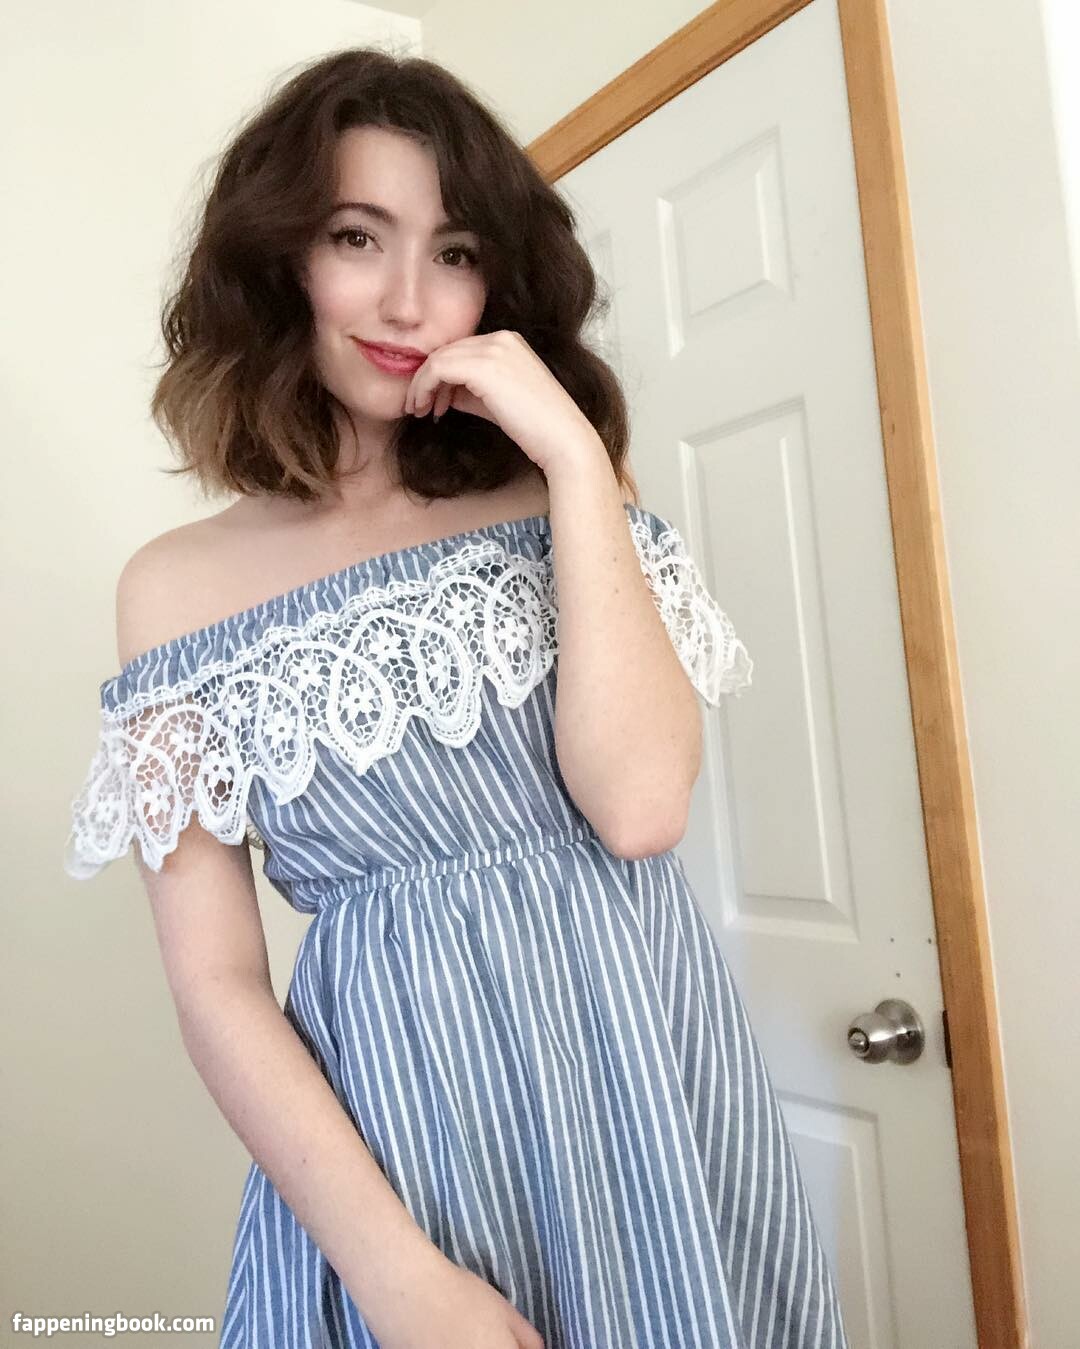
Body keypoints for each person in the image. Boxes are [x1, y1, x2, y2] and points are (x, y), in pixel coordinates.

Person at [64, 46, 849, 1349]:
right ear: (279, 259)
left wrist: (577, 464)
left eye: (457, 250)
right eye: (357, 237)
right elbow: (218, 985)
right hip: (402, 1145)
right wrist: (396, 1276)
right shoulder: (174, 590)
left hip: (649, 1096)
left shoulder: (563, 500)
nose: (409, 299)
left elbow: (641, 808)